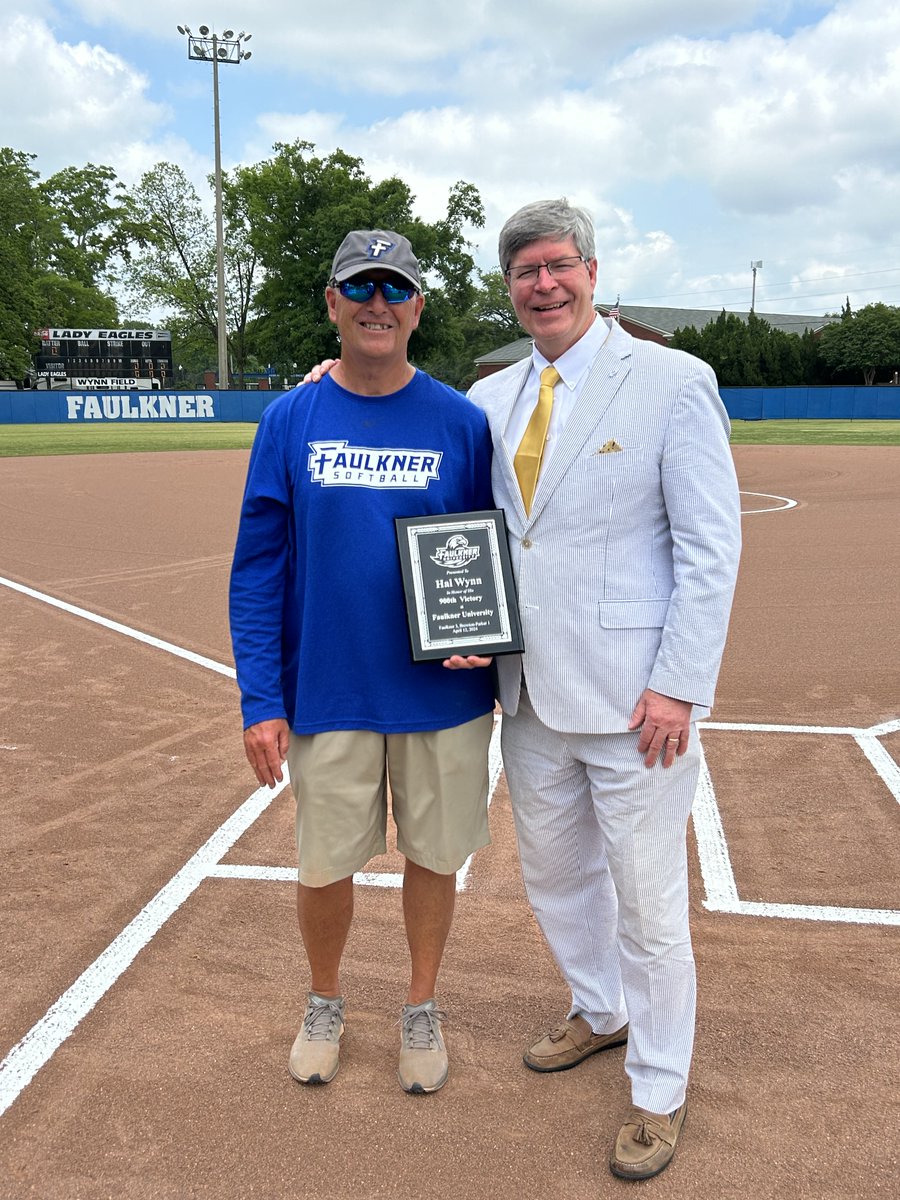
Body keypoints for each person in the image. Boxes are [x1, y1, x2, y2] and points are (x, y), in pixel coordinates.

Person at [459, 198, 743, 1179]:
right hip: (529, 694)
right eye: (524, 272)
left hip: (637, 703)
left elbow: (711, 548)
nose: (543, 285)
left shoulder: (671, 380)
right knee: (554, 876)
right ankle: (602, 1008)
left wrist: (679, 684)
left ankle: (659, 1088)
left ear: (590, 268)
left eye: (556, 266)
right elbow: (488, 536)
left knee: (649, 900)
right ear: (510, 289)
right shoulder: (489, 396)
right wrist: (338, 377)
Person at [229, 229, 496, 1096]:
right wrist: (261, 698)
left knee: (434, 856)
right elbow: (259, 565)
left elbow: (498, 554)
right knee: (324, 863)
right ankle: (326, 1000)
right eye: (360, 288)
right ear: (334, 304)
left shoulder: (462, 421)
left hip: (441, 696)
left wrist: (483, 633)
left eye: (395, 288)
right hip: (330, 692)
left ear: (418, 307)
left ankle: (421, 1006)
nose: (377, 303)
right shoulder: (291, 417)